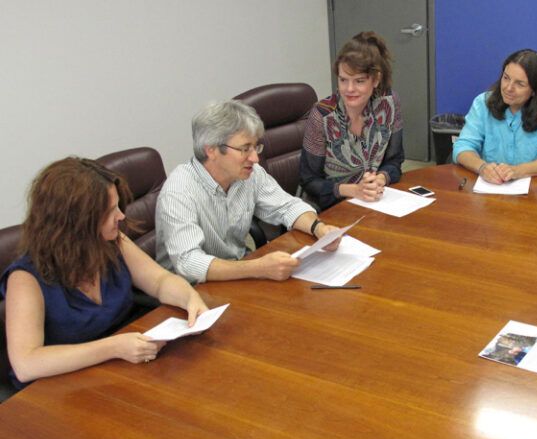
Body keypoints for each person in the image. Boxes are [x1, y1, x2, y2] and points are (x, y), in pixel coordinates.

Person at [0, 158, 208, 389]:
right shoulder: (25, 278)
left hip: (122, 370)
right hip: (64, 390)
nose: (121, 216)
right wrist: (113, 347)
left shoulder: (112, 242)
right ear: (77, 222)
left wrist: (190, 298)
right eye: (110, 211)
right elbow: (26, 363)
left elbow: (160, 281)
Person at [156, 99, 340, 284]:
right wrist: (258, 267)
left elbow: (287, 206)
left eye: (255, 146)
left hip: (237, 273)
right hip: (191, 292)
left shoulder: (249, 174)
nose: (255, 158)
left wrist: (320, 229)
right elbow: (188, 263)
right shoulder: (178, 191)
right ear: (211, 150)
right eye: (245, 149)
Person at [300, 31, 404, 211]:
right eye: (343, 80)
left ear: (376, 79)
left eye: (359, 81)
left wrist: (380, 179)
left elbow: (395, 161)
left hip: (372, 202)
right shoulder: (322, 116)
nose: (349, 89)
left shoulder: (389, 104)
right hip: (328, 207)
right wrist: (354, 191)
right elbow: (309, 181)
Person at [452, 49, 537, 185]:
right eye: (506, 78)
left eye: (520, 84)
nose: (508, 88)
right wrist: (482, 167)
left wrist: (517, 171)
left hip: (535, 190)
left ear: (534, 90)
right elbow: (462, 146)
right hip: (491, 187)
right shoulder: (483, 103)